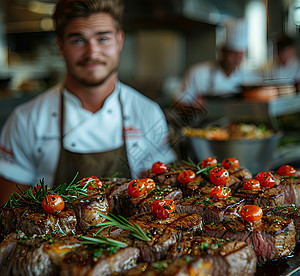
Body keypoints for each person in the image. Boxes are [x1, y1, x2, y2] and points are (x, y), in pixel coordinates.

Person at [0, 0, 177, 206]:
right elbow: (8, 210)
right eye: (78, 41)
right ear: (60, 46)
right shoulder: (26, 119)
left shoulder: (148, 113)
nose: (92, 53)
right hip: (53, 238)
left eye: (103, 38)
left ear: (119, 40)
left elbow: (161, 195)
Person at [177, 18, 260, 109]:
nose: (237, 59)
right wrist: (192, 107)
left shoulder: (248, 79)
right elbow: (178, 102)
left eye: (240, 55)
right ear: (222, 51)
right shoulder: (197, 73)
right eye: (233, 53)